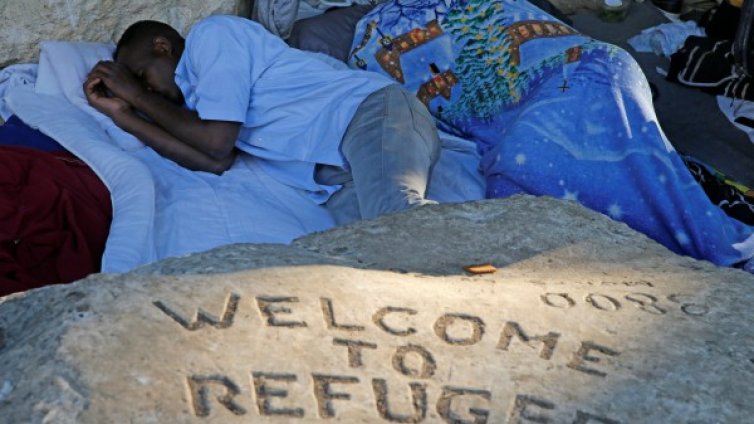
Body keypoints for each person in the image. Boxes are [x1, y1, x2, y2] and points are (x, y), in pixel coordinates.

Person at [84, 16, 440, 225]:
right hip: (336, 172)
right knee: (367, 250)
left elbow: (216, 142)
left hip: (368, 114)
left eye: (144, 75)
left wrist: (136, 95)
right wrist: (125, 116)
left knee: (399, 219)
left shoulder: (212, 36)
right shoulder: (200, 105)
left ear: (162, 46)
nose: (148, 89)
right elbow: (215, 161)